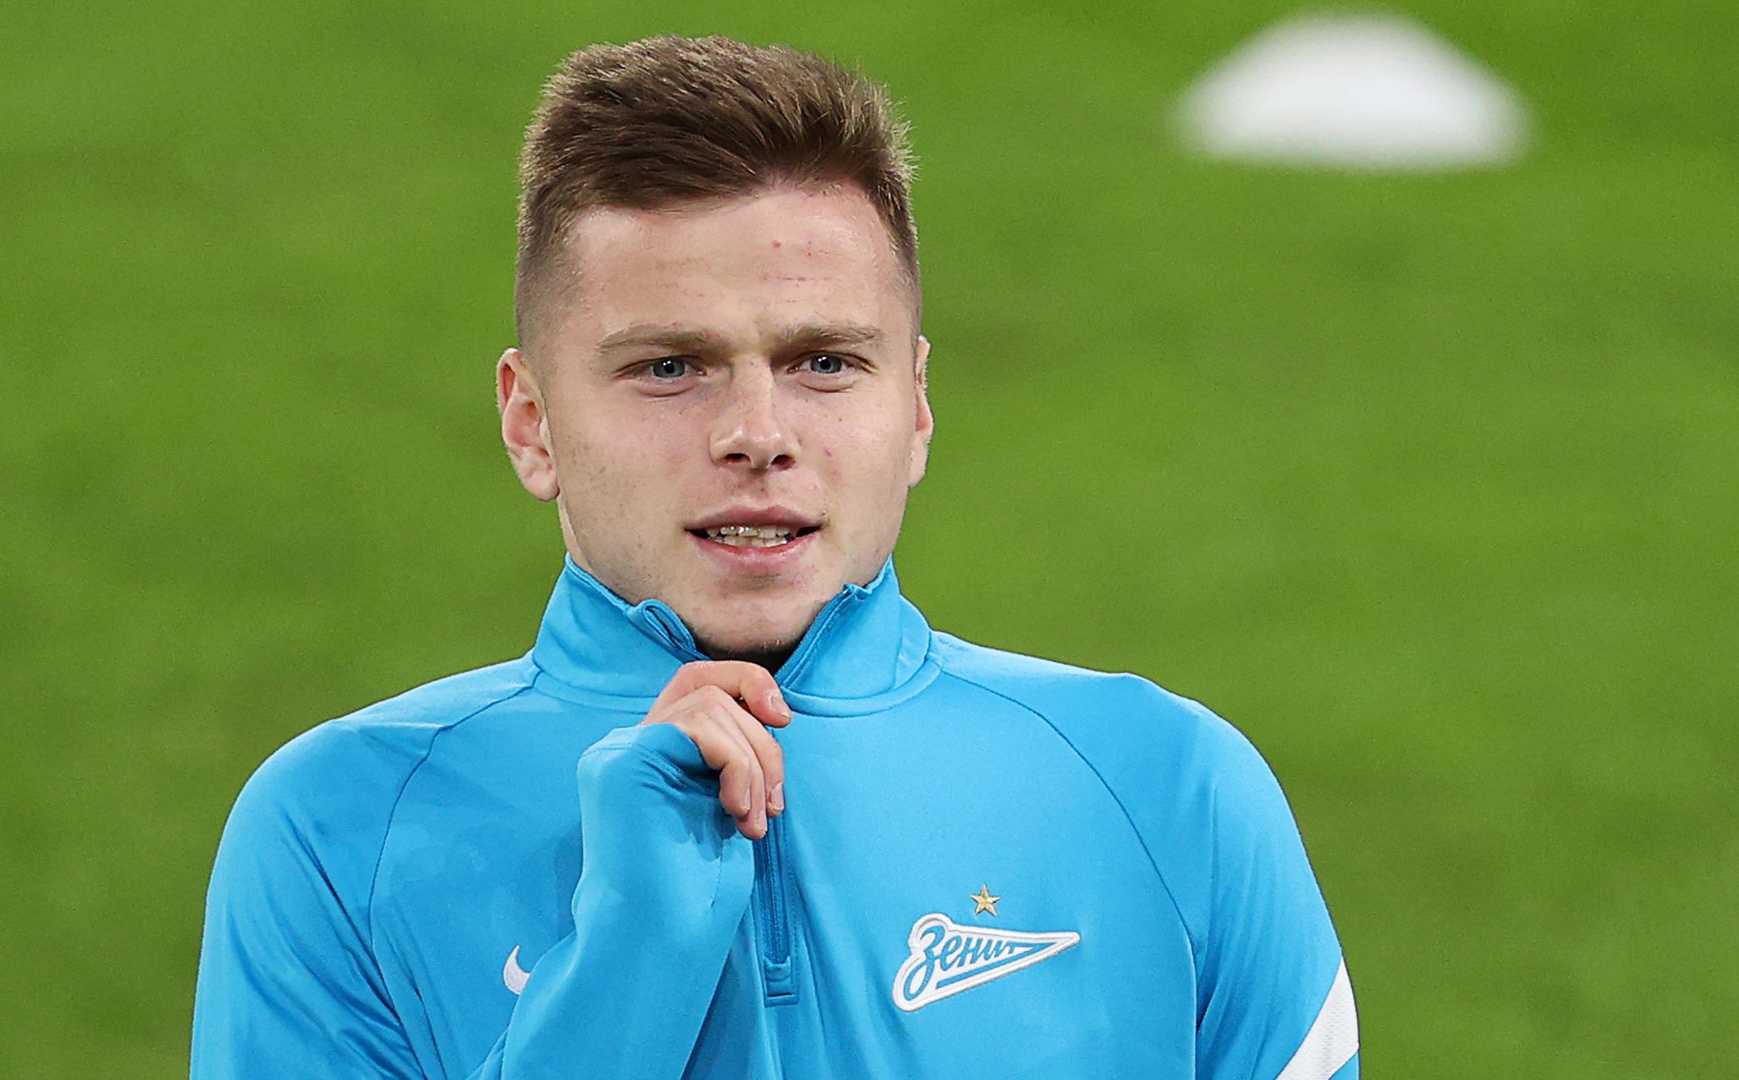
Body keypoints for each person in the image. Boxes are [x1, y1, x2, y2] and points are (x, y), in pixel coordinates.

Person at [190, 34, 1358, 1080]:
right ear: (531, 421)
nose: (757, 434)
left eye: (824, 364)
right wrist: (629, 960)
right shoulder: (342, 827)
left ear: (917, 406)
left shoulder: (1168, 787)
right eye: (669, 368)